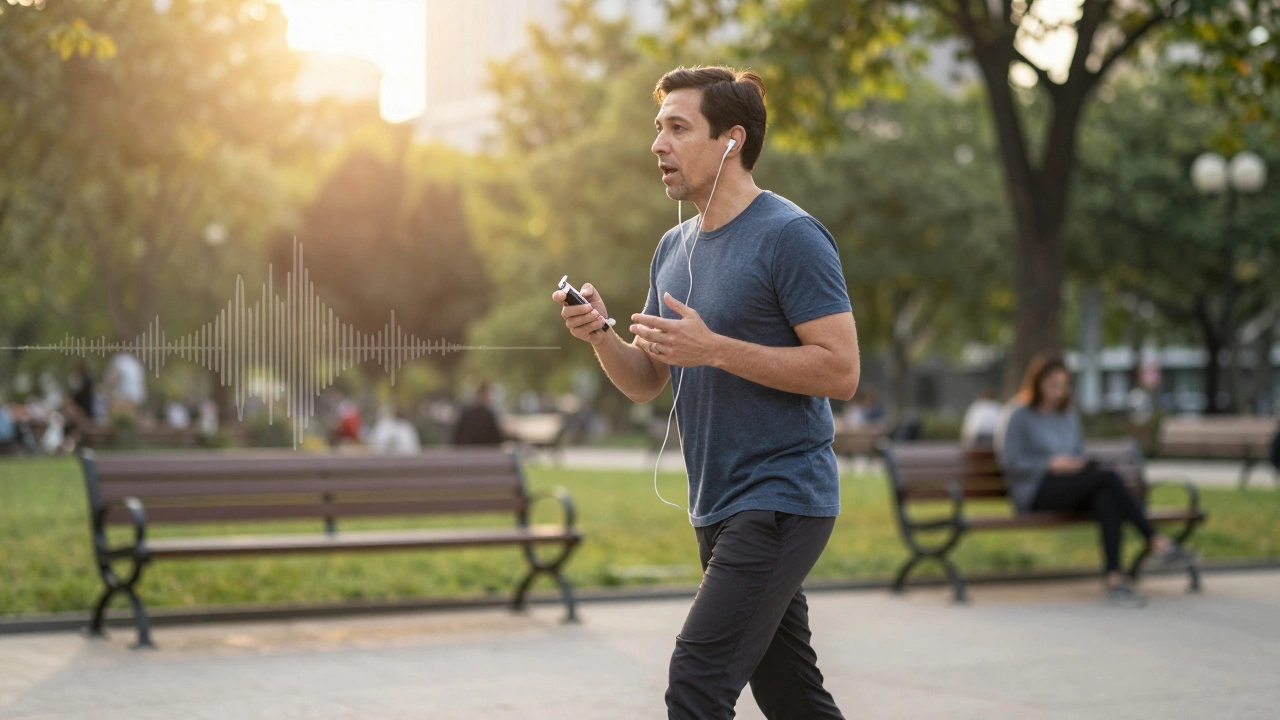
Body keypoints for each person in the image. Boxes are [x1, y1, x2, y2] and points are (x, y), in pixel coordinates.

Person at [553, 66, 857, 719]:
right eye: (658, 128)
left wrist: (714, 348)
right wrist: (601, 335)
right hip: (715, 503)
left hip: (781, 496)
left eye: (678, 128)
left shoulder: (790, 236)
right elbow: (647, 381)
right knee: (791, 696)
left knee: (697, 681)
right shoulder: (674, 246)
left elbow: (841, 370)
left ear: (730, 140)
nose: (658, 144)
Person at [997, 353, 1198, 608]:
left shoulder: (1067, 414)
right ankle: (1154, 539)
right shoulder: (1018, 414)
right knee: (1108, 478)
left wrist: (1075, 464)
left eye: (1063, 385)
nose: (1058, 392)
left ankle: (1115, 580)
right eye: (1052, 385)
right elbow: (1010, 462)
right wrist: (1049, 464)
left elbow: (1078, 451)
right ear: (1037, 383)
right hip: (1036, 490)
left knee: (1107, 498)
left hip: (1071, 485)